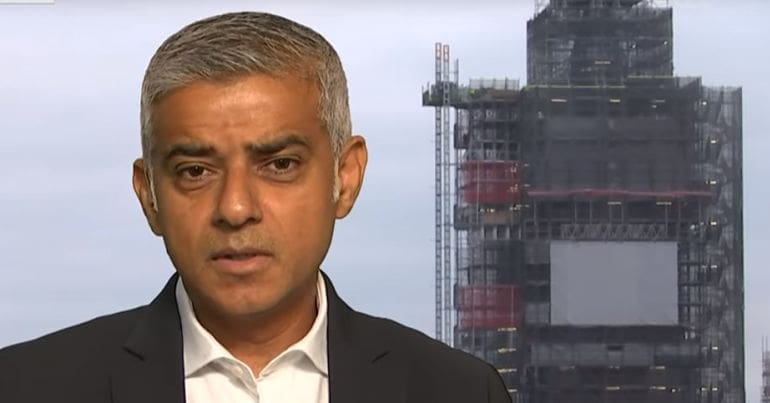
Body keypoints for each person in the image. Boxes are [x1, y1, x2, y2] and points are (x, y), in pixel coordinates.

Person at [0, 11, 510, 403]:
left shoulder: (456, 390)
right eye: (195, 171)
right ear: (148, 195)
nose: (236, 208)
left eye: (280, 164)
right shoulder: (26, 388)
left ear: (345, 178)